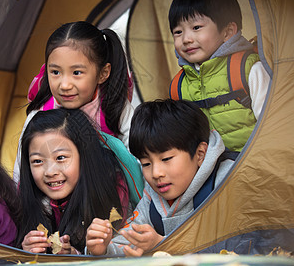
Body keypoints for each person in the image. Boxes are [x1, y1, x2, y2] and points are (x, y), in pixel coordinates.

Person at [86, 99, 236, 256]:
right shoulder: (152, 200)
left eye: (166, 159)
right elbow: (128, 240)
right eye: (146, 164)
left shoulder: (228, 183)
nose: (156, 173)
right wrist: (102, 247)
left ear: (200, 154)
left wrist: (163, 245)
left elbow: (241, 248)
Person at [13, 21, 134, 182]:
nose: (64, 85)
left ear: (102, 73)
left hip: (107, 194)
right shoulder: (40, 114)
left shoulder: (115, 108)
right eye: (55, 72)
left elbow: (137, 159)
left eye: (76, 72)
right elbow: (21, 171)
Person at [168, 0, 270, 152]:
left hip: (255, 165)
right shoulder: (178, 86)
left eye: (196, 27)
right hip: (210, 170)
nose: (186, 39)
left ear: (227, 32)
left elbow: (271, 126)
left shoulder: (246, 69)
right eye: (178, 32)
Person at [15, 108, 132, 254]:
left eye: (61, 158)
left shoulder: (109, 190)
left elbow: (124, 253)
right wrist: (25, 251)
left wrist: (80, 254)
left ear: (84, 155)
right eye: (37, 161)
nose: (50, 172)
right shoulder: (24, 197)